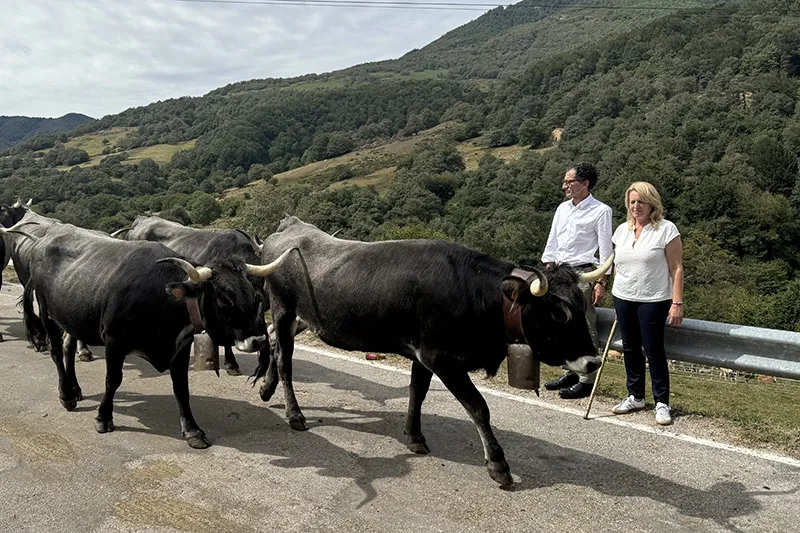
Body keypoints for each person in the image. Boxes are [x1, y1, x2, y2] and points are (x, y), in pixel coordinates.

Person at [610, 181, 684, 426]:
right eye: (632, 202)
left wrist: (677, 302)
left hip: (653, 299)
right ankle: (635, 396)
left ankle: (662, 402)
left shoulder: (666, 229)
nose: (636, 206)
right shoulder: (622, 230)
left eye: (641, 201)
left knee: (653, 350)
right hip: (623, 297)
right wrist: (616, 298)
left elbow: (676, 268)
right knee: (630, 348)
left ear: (652, 203)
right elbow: (617, 266)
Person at [541, 163, 613, 399]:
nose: (565, 186)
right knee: (560, 323)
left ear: (585, 183)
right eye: (565, 181)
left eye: (569, 182)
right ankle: (569, 371)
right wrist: (548, 269)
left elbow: (605, 250)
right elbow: (552, 241)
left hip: (582, 274)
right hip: (557, 272)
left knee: (585, 323)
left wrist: (601, 282)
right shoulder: (562, 208)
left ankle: (586, 380)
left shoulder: (601, 211)